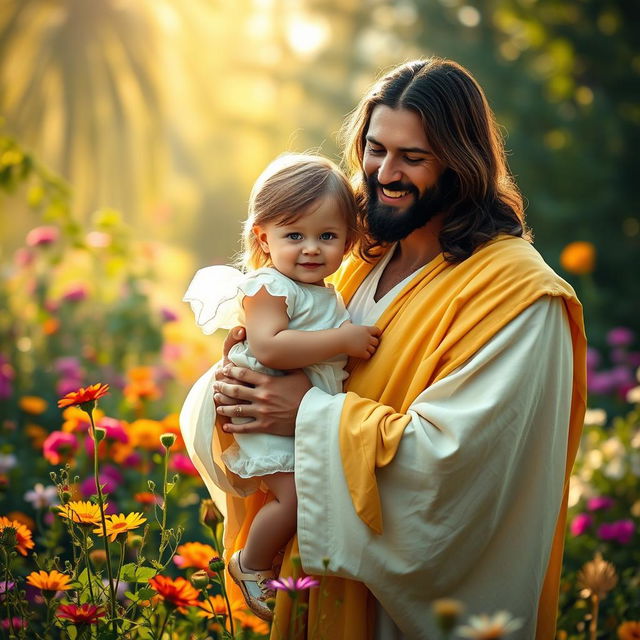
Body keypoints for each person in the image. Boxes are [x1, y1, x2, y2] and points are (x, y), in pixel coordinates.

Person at [183, 58, 586, 639]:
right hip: (318, 590)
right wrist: (236, 382)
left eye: (412, 158)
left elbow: (460, 472)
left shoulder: (519, 297)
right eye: (375, 149)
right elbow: (288, 364)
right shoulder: (356, 259)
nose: (384, 173)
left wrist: (308, 413)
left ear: (462, 163)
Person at [181, 153, 380, 621]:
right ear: (263, 238)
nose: (311, 248)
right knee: (293, 496)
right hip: (262, 408)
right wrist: (345, 339)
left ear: (348, 241)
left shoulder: (320, 290)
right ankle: (249, 565)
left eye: (327, 236)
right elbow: (269, 348)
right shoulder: (271, 286)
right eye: (295, 235)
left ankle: (271, 559)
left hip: (291, 407)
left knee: (299, 492)